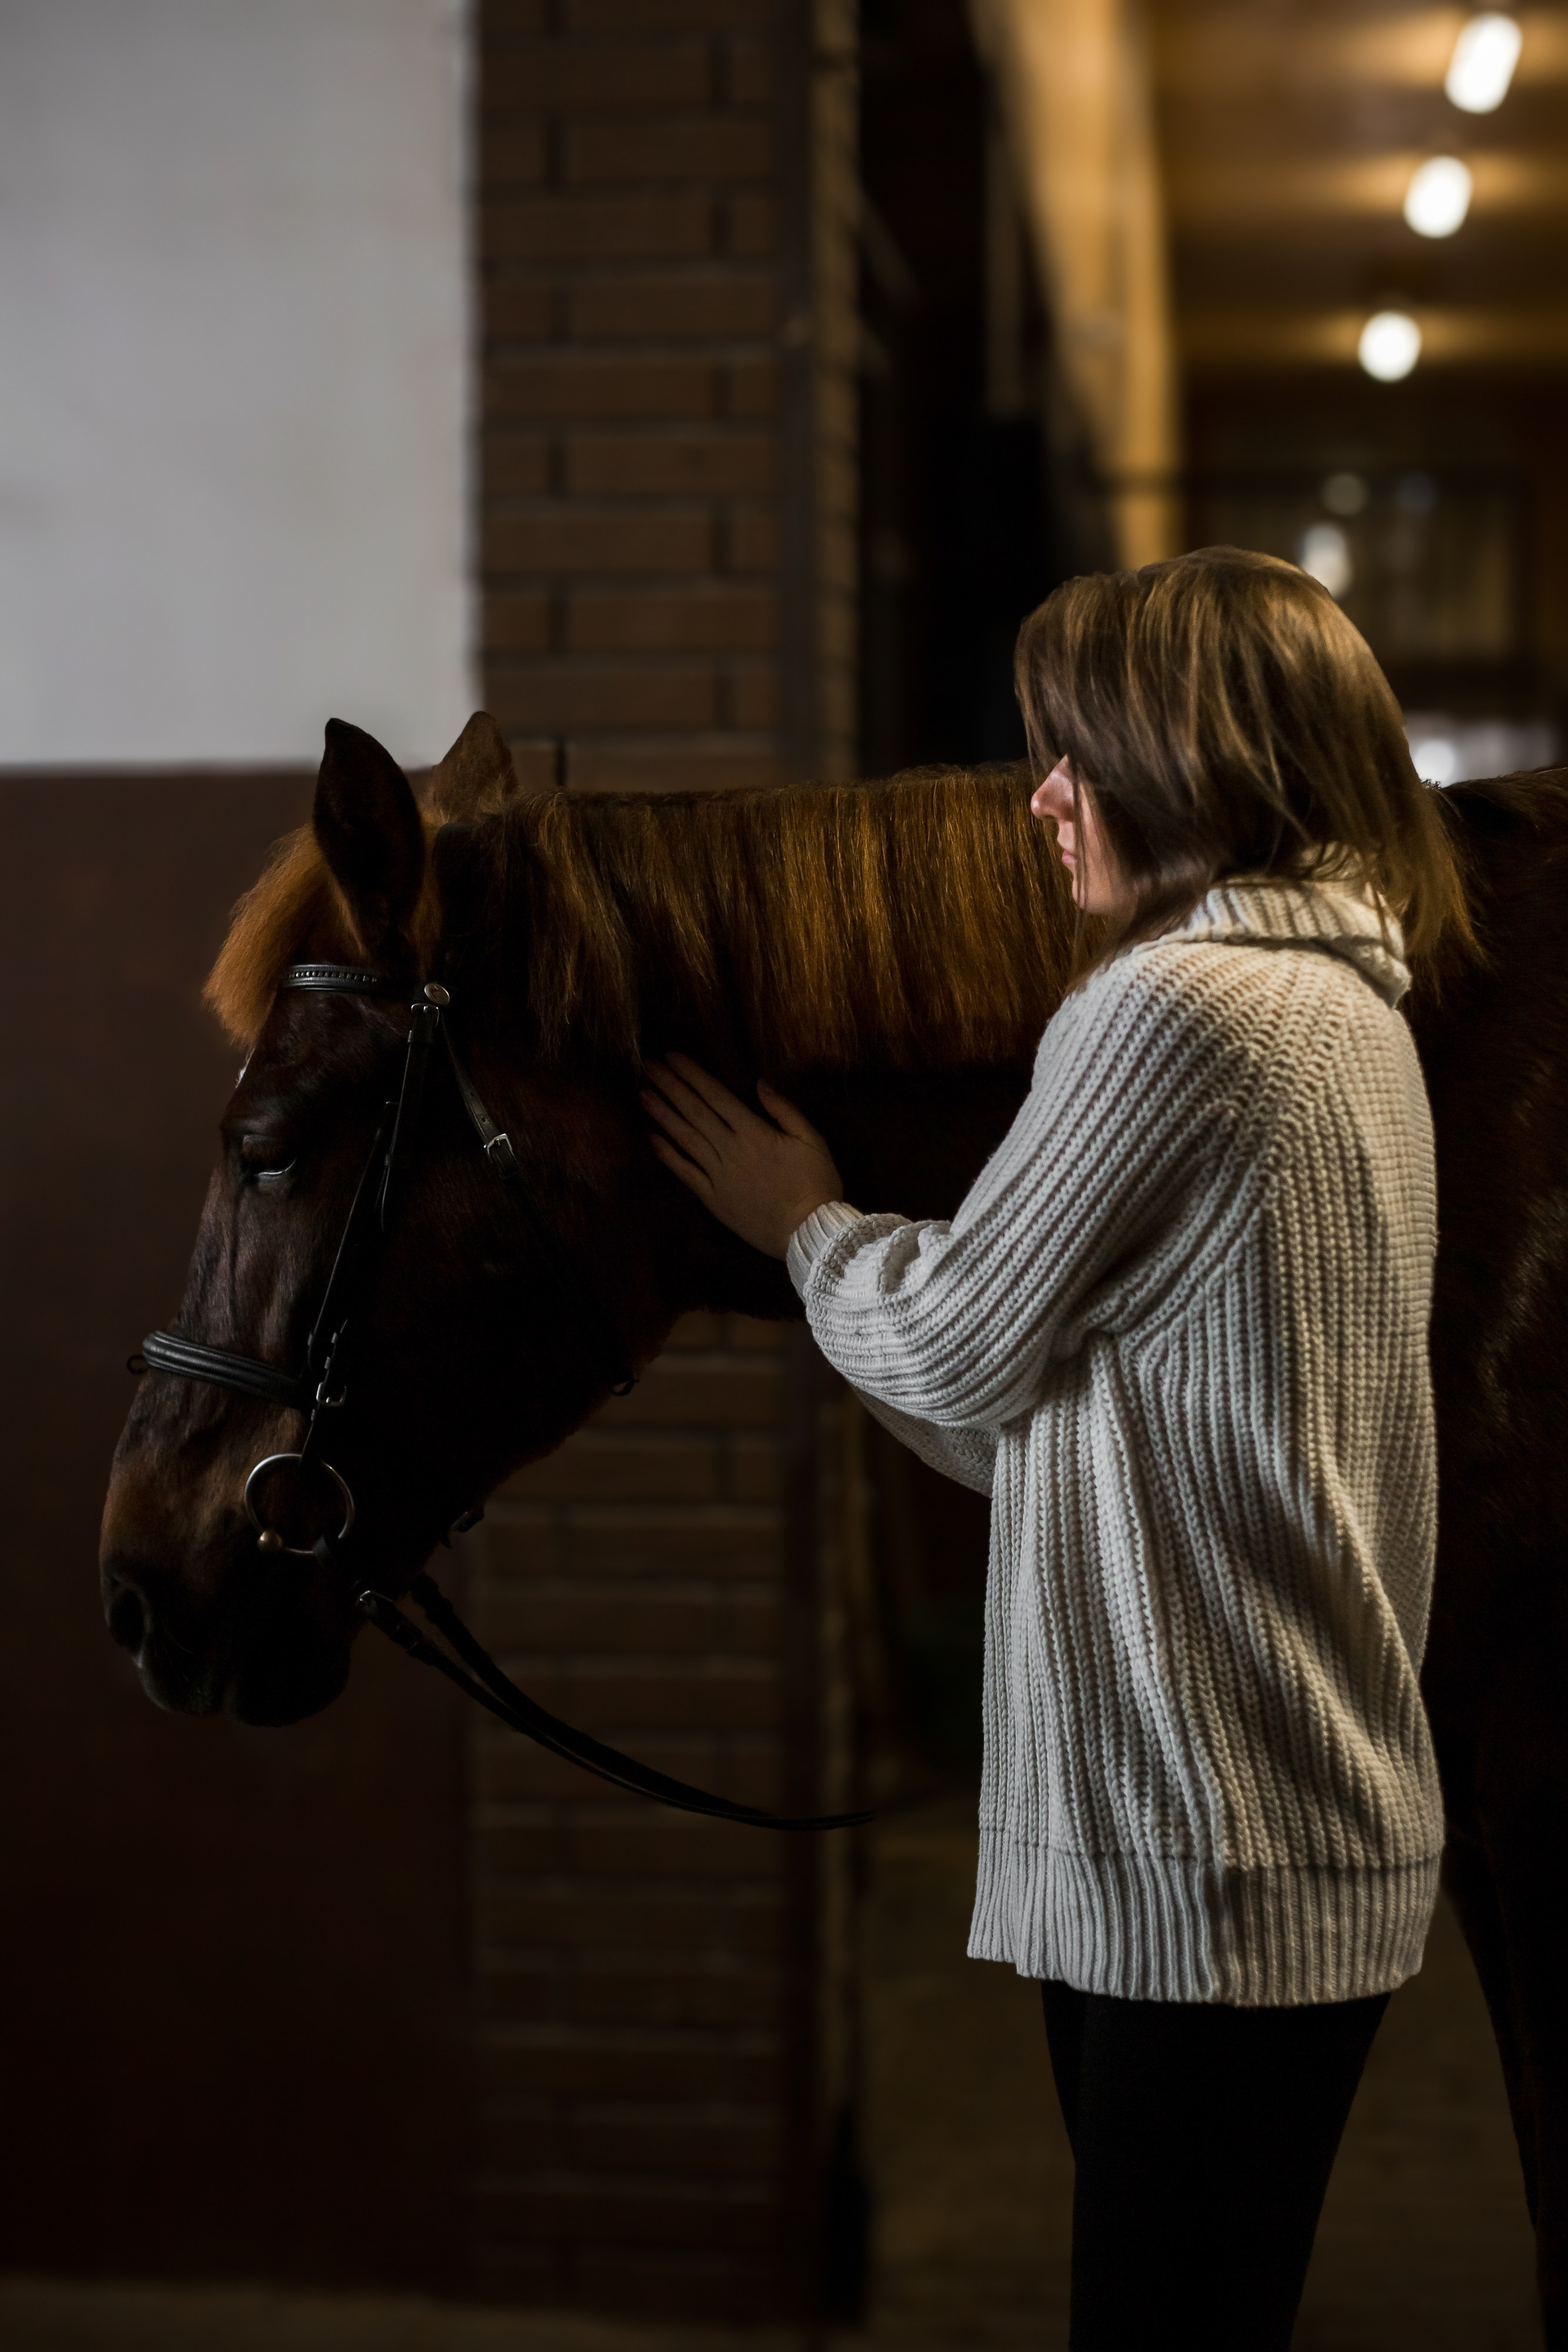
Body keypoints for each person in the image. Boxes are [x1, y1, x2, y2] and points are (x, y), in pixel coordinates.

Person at [643, 546, 1470, 2351]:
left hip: (1201, 1836)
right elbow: (1061, 1417)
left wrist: (804, 1226)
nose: (1039, 799)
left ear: (1194, 760)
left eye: (1072, 754)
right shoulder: (1352, 1013)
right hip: (1282, 1827)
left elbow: (950, 1345)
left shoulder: (1173, 1012)